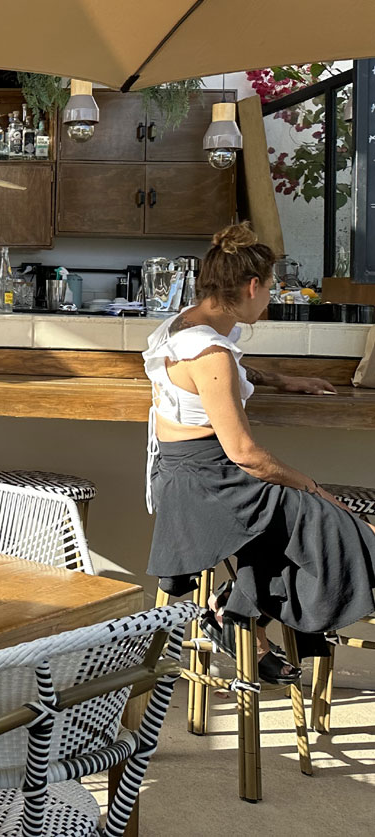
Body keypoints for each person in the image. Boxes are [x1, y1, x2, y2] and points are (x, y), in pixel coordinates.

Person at [145, 222, 375, 682]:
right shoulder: (209, 353)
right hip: (215, 488)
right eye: (269, 288)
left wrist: (282, 380)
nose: (269, 299)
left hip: (185, 475)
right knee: (352, 534)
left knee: (314, 529)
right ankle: (237, 612)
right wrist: (313, 488)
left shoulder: (185, 324)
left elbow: (228, 368)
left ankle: (234, 610)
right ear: (252, 286)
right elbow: (245, 453)